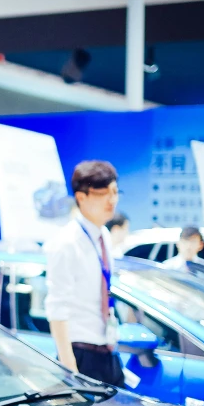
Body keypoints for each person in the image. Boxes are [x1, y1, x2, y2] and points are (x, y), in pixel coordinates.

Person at [44, 160, 124, 386]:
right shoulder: (66, 243)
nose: (112, 199)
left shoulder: (104, 236)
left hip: (107, 350)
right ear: (82, 197)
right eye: (103, 193)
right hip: (81, 355)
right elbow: (57, 309)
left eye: (115, 191)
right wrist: (71, 372)